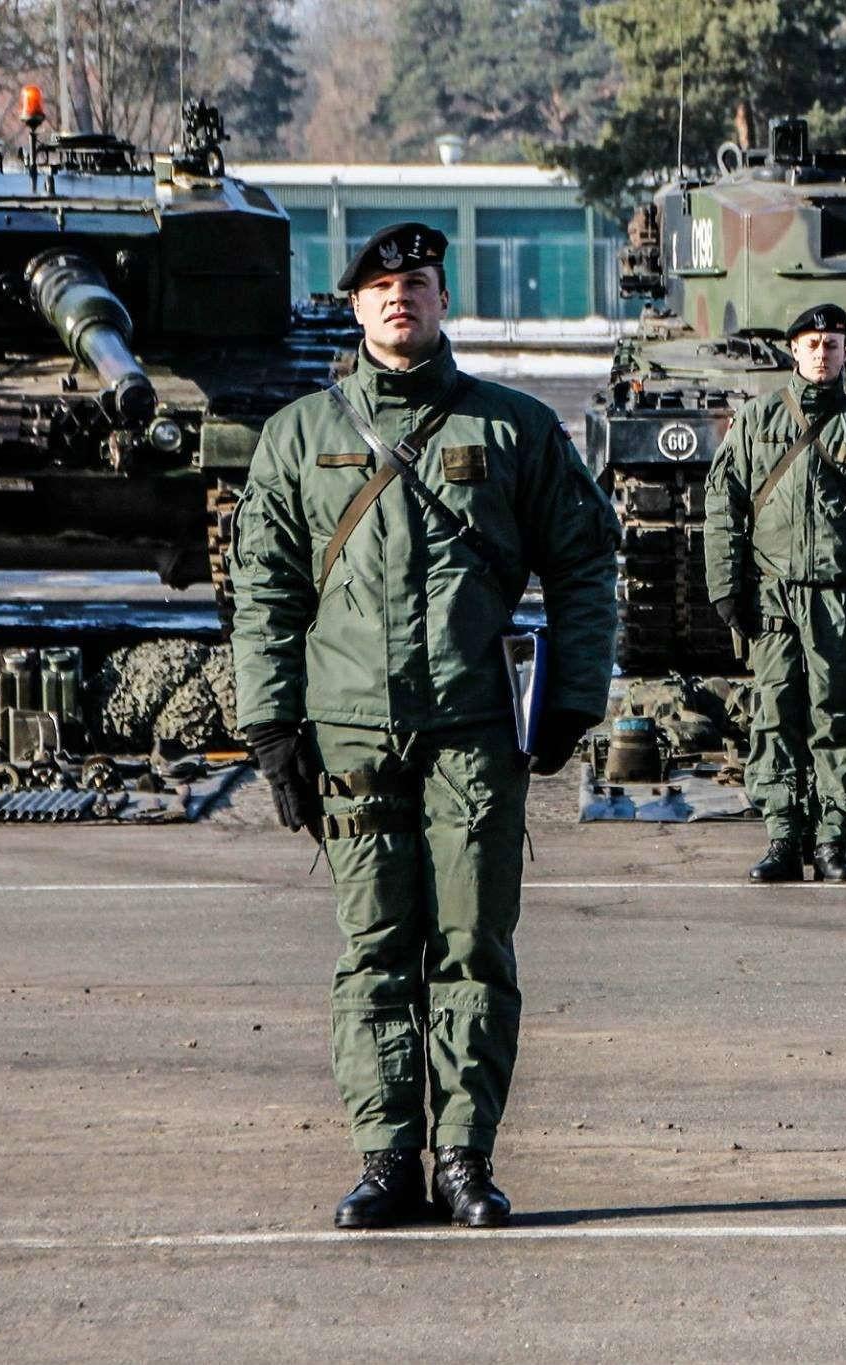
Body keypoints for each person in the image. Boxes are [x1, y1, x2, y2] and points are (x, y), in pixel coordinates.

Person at [230, 222, 619, 1229]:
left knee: (472, 946)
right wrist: (270, 724)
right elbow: (265, 592)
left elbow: (584, 561)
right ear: (355, 306)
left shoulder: (514, 429)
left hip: (472, 731)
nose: (399, 297)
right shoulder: (296, 437)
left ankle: (463, 1158)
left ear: (444, 300)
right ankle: (387, 1159)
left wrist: (573, 695)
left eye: (417, 283)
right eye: (381, 286)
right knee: (373, 949)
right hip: (350, 732)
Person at [703, 303, 846, 883]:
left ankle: (832, 836)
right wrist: (726, 588)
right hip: (773, 596)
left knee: (834, 716)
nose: (822, 354)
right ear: (794, 350)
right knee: (774, 714)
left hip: (840, 597)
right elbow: (723, 506)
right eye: (812, 344)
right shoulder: (757, 420)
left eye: (832, 344)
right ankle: (782, 833)